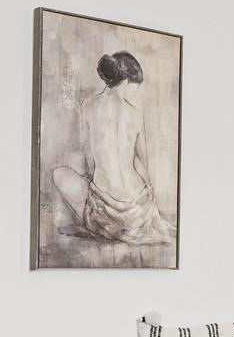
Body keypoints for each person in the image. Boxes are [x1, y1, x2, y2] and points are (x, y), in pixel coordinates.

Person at [53, 50, 172, 245]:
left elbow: (90, 160)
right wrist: (151, 208)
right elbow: (142, 164)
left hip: (105, 216)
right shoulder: (135, 114)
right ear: (125, 82)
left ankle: (108, 226)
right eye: (135, 88)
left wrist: (98, 183)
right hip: (139, 213)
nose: (134, 93)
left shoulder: (88, 106)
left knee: (59, 173)